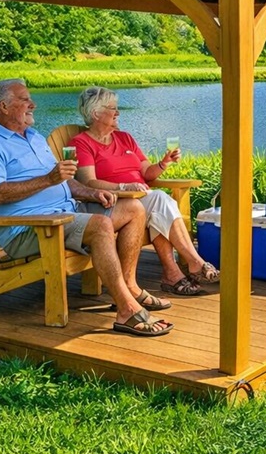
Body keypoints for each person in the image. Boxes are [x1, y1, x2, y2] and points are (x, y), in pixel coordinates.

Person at [0, 79, 173, 337]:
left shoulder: (34, 137)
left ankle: (128, 286)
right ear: (4, 107)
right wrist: (48, 179)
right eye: (25, 99)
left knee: (133, 208)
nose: (33, 104)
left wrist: (91, 192)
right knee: (100, 225)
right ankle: (127, 310)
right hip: (31, 228)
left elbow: (63, 179)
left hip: (66, 212)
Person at [68, 86, 219, 296]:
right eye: (112, 108)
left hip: (142, 201)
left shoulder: (125, 138)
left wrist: (164, 163)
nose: (118, 112)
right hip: (112, 204)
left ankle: (173, 273)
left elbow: (147, 172)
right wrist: (124, 187)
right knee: (159, 200)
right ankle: (195, 262)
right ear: (96, 113)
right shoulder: (81, 143)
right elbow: (88, 182)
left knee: (157, 207)